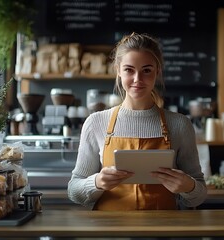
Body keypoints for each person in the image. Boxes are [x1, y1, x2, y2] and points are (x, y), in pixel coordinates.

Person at [68, 32, 207, 210]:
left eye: (146, 70)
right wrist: (96, 182)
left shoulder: (179, 125)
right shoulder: (96, 123)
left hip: (162, 231)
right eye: (129, 70)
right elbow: (74, 191)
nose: (137, 79)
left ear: (158, 71)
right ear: (118, 70)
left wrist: (189, 186)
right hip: (109, 232)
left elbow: (199, 195)